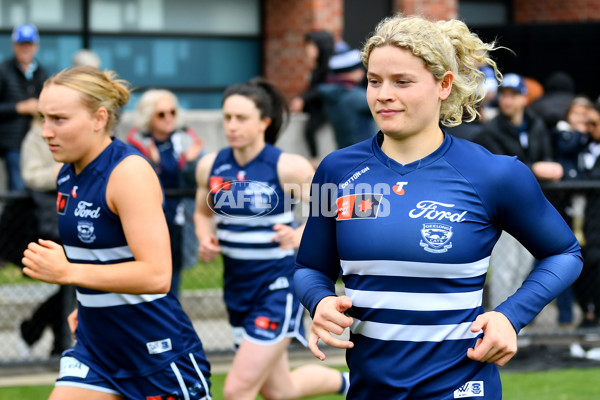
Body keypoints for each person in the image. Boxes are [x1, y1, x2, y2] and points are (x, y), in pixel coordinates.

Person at [294, 14, 583, 399]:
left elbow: (564, 252)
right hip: (369, 390)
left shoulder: (493, 174)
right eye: (374, 81)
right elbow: (310, 267)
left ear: (444, 84)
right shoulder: (337, 170)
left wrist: (510, 318)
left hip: (462, 389)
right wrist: (322, 300)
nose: (383, 95)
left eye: (402, 82)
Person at [21, 66, 211, 400]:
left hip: (154, 352)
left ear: (99, 118)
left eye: (59, 119)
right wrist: (92, 303)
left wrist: (68, 271)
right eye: (43, 118)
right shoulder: (68, 173)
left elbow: (157, 274)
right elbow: (104, 254)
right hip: (97, 347)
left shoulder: (128, 173)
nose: (45, 131)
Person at [194, 77, 348, 400]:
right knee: (280, 391)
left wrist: (300, 235)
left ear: (264, 121)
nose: (231, 126)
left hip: (277, 286)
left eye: (241, 118)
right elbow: (204, 213)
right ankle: (349, 383)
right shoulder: (211, 165)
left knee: (237, 391)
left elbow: (331, 212)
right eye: (227, 117)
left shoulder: (287, 167)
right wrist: (204, 239)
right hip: (237, 287)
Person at [128, 89, 204, 297]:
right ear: (148, 117)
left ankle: (170, 324)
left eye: (172, 112)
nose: (169, 118)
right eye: (161, 114)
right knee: (149, 279)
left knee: (173, 280)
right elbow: (137, 181)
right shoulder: (137, 145)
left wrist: (189, 162)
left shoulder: (186, 140)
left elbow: (200, 177)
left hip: (179, 220)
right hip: (148, 221)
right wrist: (153, 162)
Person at [0, 23, 48, 191]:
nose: (25, 49)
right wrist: (19, 107)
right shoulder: (4, 71)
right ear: (14, 46)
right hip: (13, 143)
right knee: (18, 189)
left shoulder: (42, 73)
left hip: (38, 140)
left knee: (38, 190)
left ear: (36, 46)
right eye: (22, 45)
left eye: (29, 44)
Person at [290, 30, 335, 168]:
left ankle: (315, 161)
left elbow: (322, 88)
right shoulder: (318, 66)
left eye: (311, 46)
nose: (307, 50)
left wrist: (302, 99)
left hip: (328, 107)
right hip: (316, 107)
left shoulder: (332, 65)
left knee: (310, 129)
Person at [317, 46, 377, 149]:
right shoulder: (356, 97)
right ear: (349, 72)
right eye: (359, 69)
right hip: (364, 152)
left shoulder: (330, 93)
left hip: (343, 151)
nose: (363, 72)